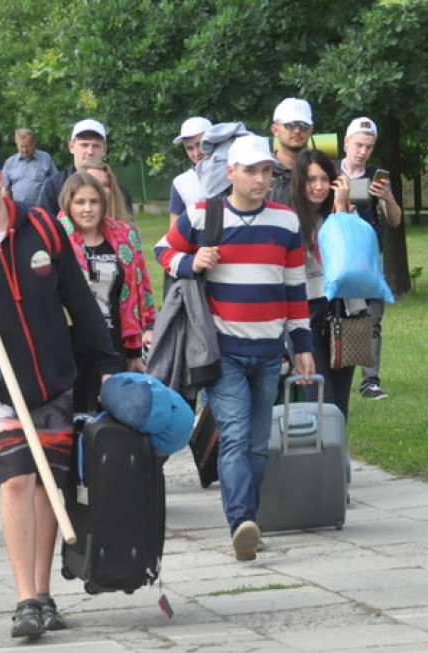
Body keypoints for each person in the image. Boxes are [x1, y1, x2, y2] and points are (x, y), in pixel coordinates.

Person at [0, 143, 122, 639]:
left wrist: (107, 364)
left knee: (47, 489)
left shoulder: (41, 227)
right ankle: (23, 600)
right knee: (15, 482)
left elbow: (78, 299)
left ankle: (43, 595)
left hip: (54, 383)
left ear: (0, 180)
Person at [156, 135, 314, 561]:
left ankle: (250, 520)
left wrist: (301, 344)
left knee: (259, 445)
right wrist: (191, 262)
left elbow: (295, 286)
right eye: (251, 171)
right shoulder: (203, 214)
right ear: (231, 173)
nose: (261, 179)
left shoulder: (286, 221)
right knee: (236, 437)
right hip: (220, 350)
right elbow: (163, 249)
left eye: (266, 171)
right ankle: (240, 520)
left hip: (270, 351)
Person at [56, 171, 156, 411]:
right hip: (70, 346)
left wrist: (134, 350)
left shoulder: (123, 237)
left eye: (94, 201)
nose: (87, 209)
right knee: (73, 418)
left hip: (112, 344)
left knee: (110, 423)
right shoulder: (55, 239)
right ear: (68, 204)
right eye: (80, 202)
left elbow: (138, 291)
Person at [289, 148, 357, 418]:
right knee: (321, 402)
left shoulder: (344, 215)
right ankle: (323, 458)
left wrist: (341, 208)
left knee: (339, 407)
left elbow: (352, 259)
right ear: (299, 183)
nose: (319, 187)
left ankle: (338, 460)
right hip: (307, 314)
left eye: (324, 179)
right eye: (311, 180)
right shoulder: (289, 219)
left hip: (343, 311)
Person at [339, 116, 402, 401]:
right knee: (336, 318)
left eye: (369, 146)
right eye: (359, 145)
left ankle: (370, 383)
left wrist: (387, 197)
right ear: (346, 143)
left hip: (367, 258)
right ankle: (333, 375)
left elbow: (396, 221)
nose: (363, 151)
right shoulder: (327, 173)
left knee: (372, 319)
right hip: (336, 257)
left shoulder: (378, 175)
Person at [37, 119, 133, 218]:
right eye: (84, 145)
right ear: (71, 147)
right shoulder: (53, 187)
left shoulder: (118, 192)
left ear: (104, 150)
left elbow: (129, 228)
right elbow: (44, 227)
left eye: (96, 146)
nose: (90, 151)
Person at [267, 98, 314, 206]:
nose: (297, 131)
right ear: (275, 130)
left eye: (303, 126)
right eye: (290, 125)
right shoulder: (263, 171)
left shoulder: (320, 172)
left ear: (311, 130)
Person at [169, 116, 212, 227]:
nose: (196, 153)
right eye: (189, 148)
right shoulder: (180, 183)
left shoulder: (234, 173)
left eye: (200, 145)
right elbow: (174, 230)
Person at [1, 128, 58, 207]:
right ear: (16, 143)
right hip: (19, 210)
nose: (24, 150)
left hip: (42, 209)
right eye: (21, 147)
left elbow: (56, 183)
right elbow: (5, 189)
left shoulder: (45, 158)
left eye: (27, 146)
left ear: (33, 143)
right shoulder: (10, 163)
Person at [78, 161, 134, 226]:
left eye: (106, 184)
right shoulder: (65, 229)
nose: (101, 189)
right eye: (95, 184)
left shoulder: (127, 229)